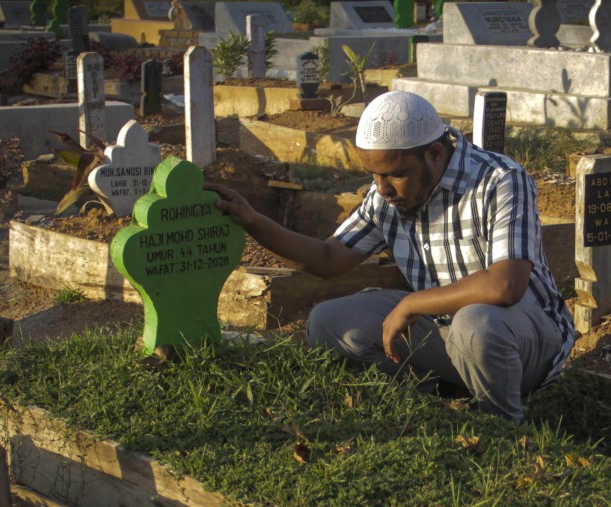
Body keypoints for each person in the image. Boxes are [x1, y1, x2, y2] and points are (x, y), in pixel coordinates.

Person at [205, 91, 574, 423]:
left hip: (522, 340)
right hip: (445, 330)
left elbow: (505, 285)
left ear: (434, 154)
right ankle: (436, 399)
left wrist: (413, 303)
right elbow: (328, 259)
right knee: (328, 321)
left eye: (395, 174)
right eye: (374, 175)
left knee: (476, 325)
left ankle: (501, 424)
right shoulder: (386, 195)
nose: (383, 189)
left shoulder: (499, 180)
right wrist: (253, 221)